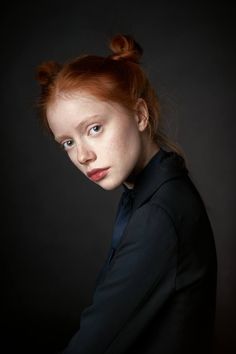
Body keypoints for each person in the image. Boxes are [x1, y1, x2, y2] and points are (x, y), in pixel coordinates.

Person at [35, 34, 217, 354]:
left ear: (140, 114)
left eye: (94, 128)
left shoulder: (158, 215)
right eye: (68, 142)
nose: (83, 155)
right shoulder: (159, 190)